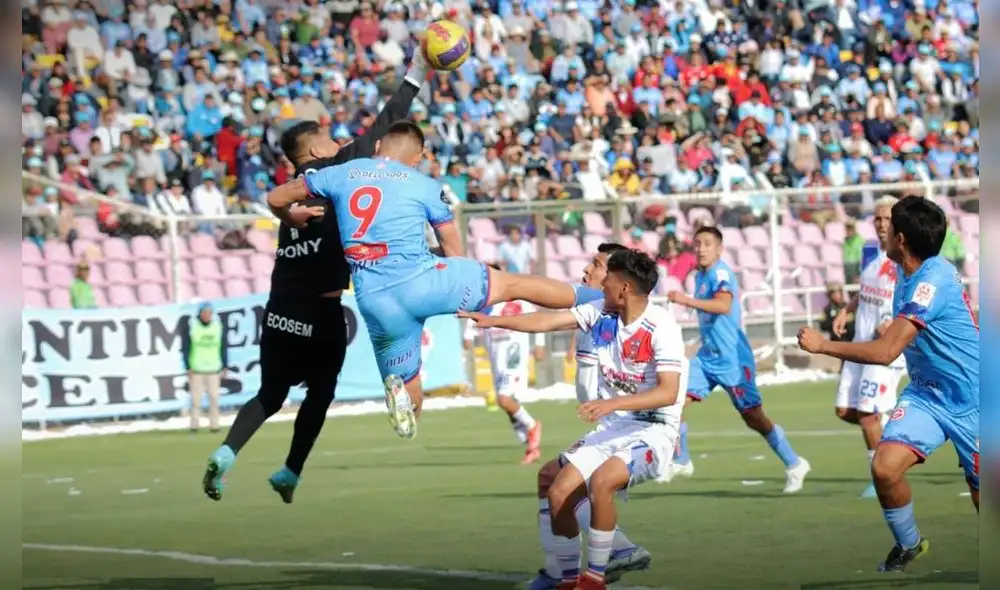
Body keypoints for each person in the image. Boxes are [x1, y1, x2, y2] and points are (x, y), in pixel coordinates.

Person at [266, 121, 602, 440]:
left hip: (375, 298)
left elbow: (275, 198)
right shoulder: (423, 184)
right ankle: (595, 299)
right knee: (513, 284)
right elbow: (454, 251)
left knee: (409, 383)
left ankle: (403, 400)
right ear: (416, 158)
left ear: (378, 146)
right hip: (424, 281)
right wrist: (466, 283)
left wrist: (291, 217)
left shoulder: (339, 173)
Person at [201, 53, 432, 503]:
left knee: (270, 394)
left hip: (279, 309)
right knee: (321, 392)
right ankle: (290, 471)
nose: (337, 140)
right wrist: (419, 69)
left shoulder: (291, 196)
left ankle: (227, 451)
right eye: (328, 138)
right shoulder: (339, 171)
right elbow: (391, 118)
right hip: (321, 310)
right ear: (315, 152)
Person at [460, 248, 686, 590]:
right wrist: (494, 321)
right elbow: (547, 321)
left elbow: (668, 392)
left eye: (608, 277)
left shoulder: (661, 325)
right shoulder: (602, 312)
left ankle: (594, 578)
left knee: (602, 482)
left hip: (654, 428)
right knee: (558, 490)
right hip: (617, 425)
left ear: (624, 287)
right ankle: (566, 580)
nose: (602, 284)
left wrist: (612, 403)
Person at [798, 196, 979, 572]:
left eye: (888, 223)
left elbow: (885, 352)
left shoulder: (930, 282)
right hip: (927, 394)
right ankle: (909, 544)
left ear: (901, 239)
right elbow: (883, 301)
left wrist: (823, 346)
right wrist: (857, 311)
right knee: (884, 467)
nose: (881, 228)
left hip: (975, 400)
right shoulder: (904, 266)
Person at [528, 242, 651, 590]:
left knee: (559, 483)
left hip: (620, 426)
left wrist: (495, 291)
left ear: (615, 277)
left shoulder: (598, 305)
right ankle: (562, 568)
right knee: (549, 479)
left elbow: (542, 296)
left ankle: (606, 555)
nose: (586, 270)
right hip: (611, 421)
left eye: (595, 265)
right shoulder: (602, 309)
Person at [665, 226, 811, 492]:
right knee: (673, 399)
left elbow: (723, 305)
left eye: (707, 243)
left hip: (732, 358)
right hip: (708, 356)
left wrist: (685, 301)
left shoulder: (720, 273)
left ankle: (794, 463)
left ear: (719, 249)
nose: (701, 248)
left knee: (753, 417)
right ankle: (681, 460)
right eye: (697, 243)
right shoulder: (701, 276)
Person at [829, 197, 907, 498]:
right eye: (878, 218)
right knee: (844, 410)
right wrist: (846, 310)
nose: (882, 224)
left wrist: (896, 322)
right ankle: (890, 423)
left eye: (887, 219)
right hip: (860, 345)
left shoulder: (905, 256)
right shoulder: (870, 252)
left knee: (865, 415)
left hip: (884, 350)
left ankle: (881, 478)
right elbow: (866, 292)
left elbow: (915, 297)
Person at [464, 295, 546, 465]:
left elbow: (538, 319)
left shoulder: (518, 300)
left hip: (513, 356)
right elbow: (474, 316)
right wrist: (468, 335)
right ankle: (531, 447)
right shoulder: (487, 300)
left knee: (504, 399)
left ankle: (532, 426)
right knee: (507, 403)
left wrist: (539, 344)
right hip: (496, 357)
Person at [182, 302, 228, 433]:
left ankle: (214, 425)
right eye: (205, 312)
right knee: (195, 399)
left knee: (214, 398)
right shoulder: (193, 328)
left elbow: (223, 347)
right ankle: (194, 425)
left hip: (213, 368)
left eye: (209, 313)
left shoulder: (217, 328)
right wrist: (188, 366)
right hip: (197, 369)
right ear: (200, 314)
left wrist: (225, 365)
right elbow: (186, 348)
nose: (207, 315)